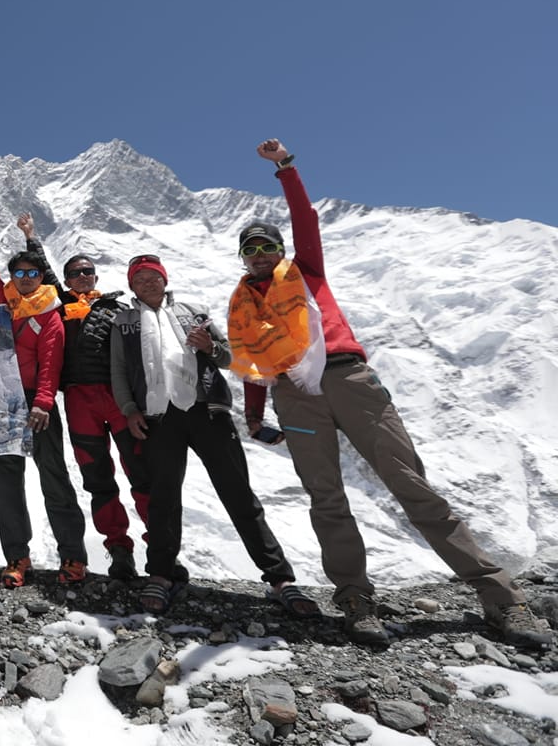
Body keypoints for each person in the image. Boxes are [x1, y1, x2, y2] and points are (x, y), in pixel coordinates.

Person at [230, 139, 551, 648]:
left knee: (411, 485)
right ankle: (356, 599)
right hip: (293, 395)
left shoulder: (307, 274)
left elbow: (305, 219)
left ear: (282, 251)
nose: (260, 254)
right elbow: (253, 365)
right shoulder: (244, 307)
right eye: (250, 249)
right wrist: (253, 417)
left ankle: (501, 599)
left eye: (267, 245)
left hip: (349, 378)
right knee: (326, 499)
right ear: (243, 259)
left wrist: (286, 169)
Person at [110, 253, 316, 617]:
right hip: (159, 418)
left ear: (164, 278)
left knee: (237, 492)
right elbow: (120, 371)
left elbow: (227, 358)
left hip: (209, 412)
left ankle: (280, 578)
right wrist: (129, 410)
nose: (147, 283)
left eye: (152, 277)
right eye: (139, 279)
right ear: (131, 285)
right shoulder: (123, 321)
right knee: (162, 498)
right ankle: (160, 573)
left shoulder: (193, 310)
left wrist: (209, 347)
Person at [0, 203, 88, 588]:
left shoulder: (51, 312)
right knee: (6, 482)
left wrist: (44, 403)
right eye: (20, 272)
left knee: (54, 479)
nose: (27, 278)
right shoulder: (3, 301)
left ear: (40, 276)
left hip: (37, 404)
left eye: (33, 273)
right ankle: (17, 557)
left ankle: (73, 557)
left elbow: (52, 360)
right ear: (13, 276)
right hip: (1, 404)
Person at [18, 214, 149, 580]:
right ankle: (119, 548)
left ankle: (161, 550)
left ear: (95, 276)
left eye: (87, 272)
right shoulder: (59, 306)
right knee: (98, 477)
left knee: (141, 472)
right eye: (74, 273)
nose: (81, 277)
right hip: (78, 400)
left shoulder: (119, 309)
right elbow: (43, 270)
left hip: (120, 397)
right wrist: (31, 238)